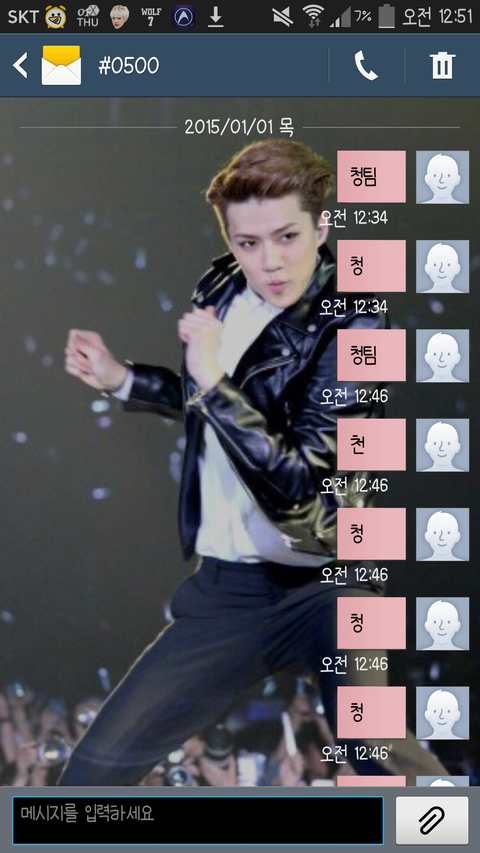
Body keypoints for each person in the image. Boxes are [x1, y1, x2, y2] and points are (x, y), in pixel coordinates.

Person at [59, 139, 447, 786]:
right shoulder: (219, 288)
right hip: (229, 592)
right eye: (247, 243)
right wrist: (124, 379)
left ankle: (454, 824)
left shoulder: (357, 323)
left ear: (322, 228)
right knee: (91, 775)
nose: (269, 261)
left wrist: (214, 380)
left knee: (378, 752)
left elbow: (303, 481)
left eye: (287, 236)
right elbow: (216, 406)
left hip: (331, 580)